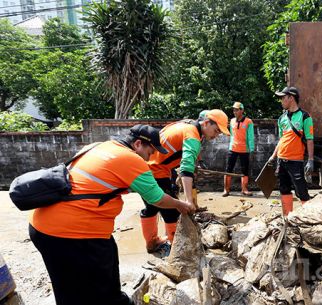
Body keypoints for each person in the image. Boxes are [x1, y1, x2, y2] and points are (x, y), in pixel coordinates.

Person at [29, 124, 195, 305]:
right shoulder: (131, 159)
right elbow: (157, 198)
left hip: (43, 227)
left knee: (67, 287)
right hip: (75, 233)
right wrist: (181, 205)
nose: (152, 157)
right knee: (106, 291)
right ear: (138, 144)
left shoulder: (99, 146)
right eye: (151, 151)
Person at [142, 109, 229, 254]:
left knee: (151, 208)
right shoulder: (193, 134)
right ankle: (177, 250)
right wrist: (189, 201)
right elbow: (187, 167)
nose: (217, 135)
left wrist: (177, 172)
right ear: (206, 123)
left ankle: (152, 243)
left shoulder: (187, 125)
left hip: (149, 168)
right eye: (216, 130)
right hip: (155, 170)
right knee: (172, 210)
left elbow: (178, 154)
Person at [268, 86, 315, 215]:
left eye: (283, 98)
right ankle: (287, 218)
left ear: (291, 98)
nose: (281, 101)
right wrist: (273, 156)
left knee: (301, 191)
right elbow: (281, 139)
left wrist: (310, 160)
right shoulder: (282, 118)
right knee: (284, 189)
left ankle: (309, 217)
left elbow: (310, 139)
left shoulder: (305, 117)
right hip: (281, 160)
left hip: (296, 161)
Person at [223, 101, 255, 197]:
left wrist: (251, 149)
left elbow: (251, 136)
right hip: (233, 148)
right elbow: (232, 135)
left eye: (236, 110)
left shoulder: (248, 122)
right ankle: (226, 190)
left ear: (242, 110)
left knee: (244, 170)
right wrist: (231, 144)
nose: (234, 112)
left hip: (244, 150)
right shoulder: (232, 121)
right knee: (228, 169)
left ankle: (244, 189)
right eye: (233, 110)